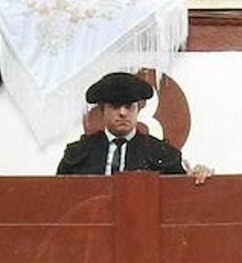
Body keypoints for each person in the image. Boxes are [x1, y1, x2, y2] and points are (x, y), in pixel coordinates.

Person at [57, 72, 213, 184]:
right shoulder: (78, 153)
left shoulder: (162, 154)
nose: (123, 112)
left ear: (138, 109)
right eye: (115, 106)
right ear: (102, 110)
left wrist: (197, 174)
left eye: (129, 106)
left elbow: (181, 198)